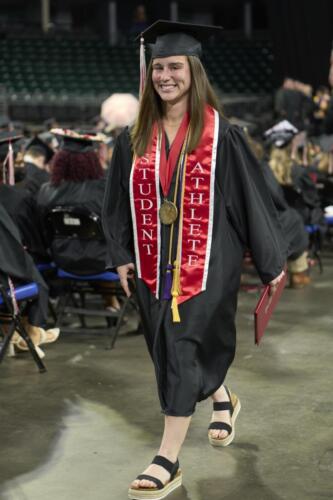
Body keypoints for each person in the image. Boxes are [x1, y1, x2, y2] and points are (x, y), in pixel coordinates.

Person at [102, 20, 286, 500]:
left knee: (182, 348)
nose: (165, 76)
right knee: (168, 348)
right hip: (149, 264)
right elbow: (114, 203)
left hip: (207, 262)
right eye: (158, 67)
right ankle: (222, 395)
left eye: (174, 67)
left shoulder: (222, 135)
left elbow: (251, 199)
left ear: (194, 71)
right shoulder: (132, 137)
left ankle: (167, 458)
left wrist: (272, 262)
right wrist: (121, 255)